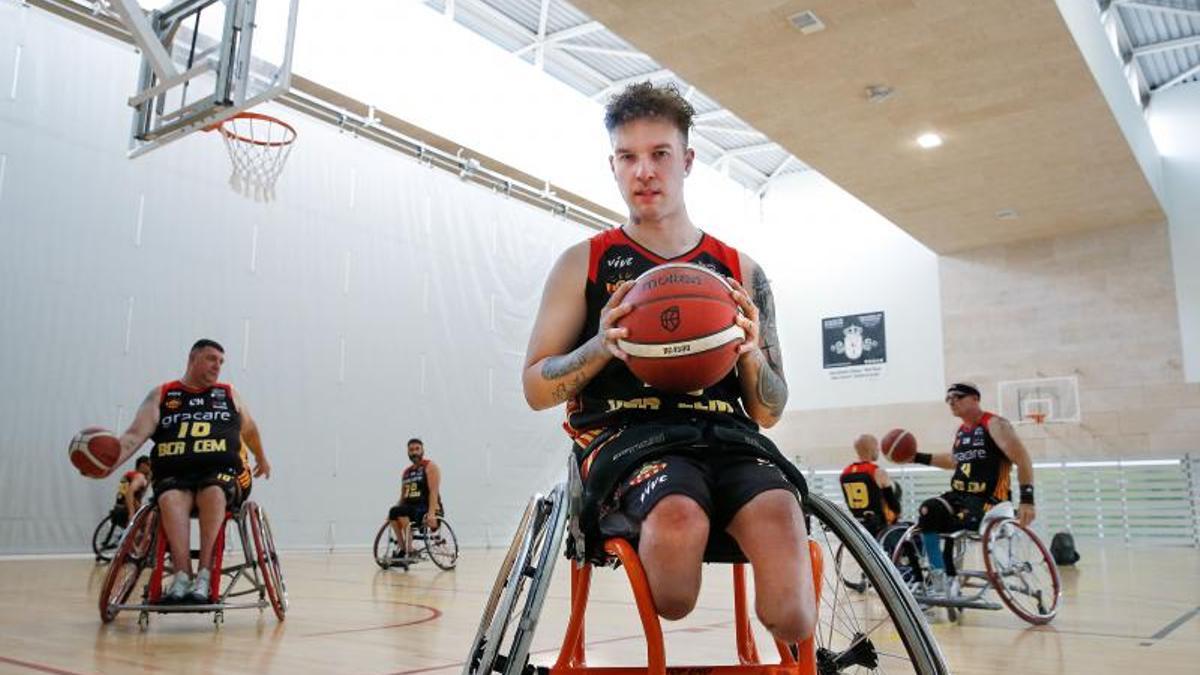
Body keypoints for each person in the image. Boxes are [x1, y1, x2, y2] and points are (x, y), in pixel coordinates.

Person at [522, 82, 814, 644]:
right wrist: (599, 345)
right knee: (675, 572)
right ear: (613, 166)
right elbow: (536, 388)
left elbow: (770, 411)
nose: (644, 171)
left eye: (659, 154)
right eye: (628, 157)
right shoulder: (584, 263)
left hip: (730, 438)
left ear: (687, 160)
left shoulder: (741, 269)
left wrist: (750, 353)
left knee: (790, 593)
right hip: (631, 440)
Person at [81, 339, 268, 604]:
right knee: (168, 498)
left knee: (213, 491)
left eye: (221, 362)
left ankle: (204, 575)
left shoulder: (228, 393)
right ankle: (182, 575)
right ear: (192, 358)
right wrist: (106, 467)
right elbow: (133, 437)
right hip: (175, 475)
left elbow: (249, 429)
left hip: (221, 472)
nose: (217, 366)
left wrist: (261, 457)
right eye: (211, 358)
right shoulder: (163, 394)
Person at [900, 382, 1037, 595]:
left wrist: (1027, 499)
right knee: (928, 511)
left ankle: (951, 575)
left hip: (990, 500)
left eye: (958, 396)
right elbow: (953, 461)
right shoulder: (962, 431)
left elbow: (1023, 459)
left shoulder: (995, 424)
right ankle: (939, 576)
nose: (951, 401)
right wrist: (917, 457)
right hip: (960, 496)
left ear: (975, 398)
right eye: (948, 399)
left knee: (955, 525)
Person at [387, 438, 441, 564]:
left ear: (423, 450)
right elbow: (403, 496)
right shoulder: (407, 472)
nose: (414, 452)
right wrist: (389, 517)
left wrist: (432, 513)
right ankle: (403, 548)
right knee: (393, 512)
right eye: (411, 450)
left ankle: (409, 549)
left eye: (417, 449)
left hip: (425, 508)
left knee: (401, 511)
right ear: (408, 452)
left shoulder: (430, 466)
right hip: (409, 507)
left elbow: (434, 492)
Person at [839, 434, 901, 538]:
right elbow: (893, 504)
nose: (878, 450)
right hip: (878, 527)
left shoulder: (845, 473)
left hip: (858, 525)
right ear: (872, 448)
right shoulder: (877, 472)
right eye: (877, 447)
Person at [109, 455, 151, 528]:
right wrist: (132, 512)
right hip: (127, 511)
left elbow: (123, 493)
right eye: (149, 465)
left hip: (118, 508)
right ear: (142, 465)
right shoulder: (140, 477)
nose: (150, 468)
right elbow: (129, 493)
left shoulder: (129, 474)